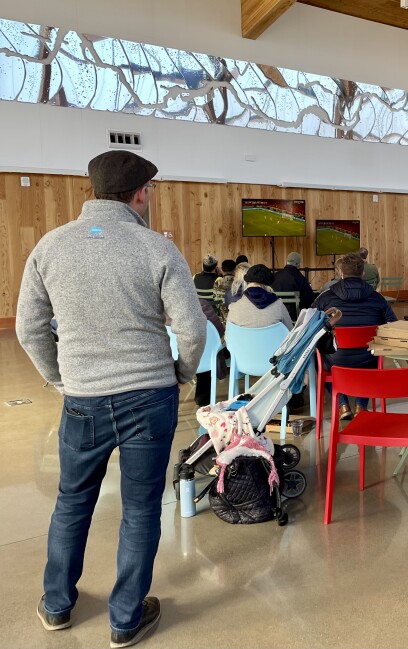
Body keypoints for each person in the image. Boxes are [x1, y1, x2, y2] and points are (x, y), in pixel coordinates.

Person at [16, 150, 206, 647]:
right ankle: (125, 619)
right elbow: (191, 328)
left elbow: (28, 328)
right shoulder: (157, 249)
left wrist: (61, 379)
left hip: (83, 400)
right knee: (141, 509)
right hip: (149, 395)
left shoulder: (49, 246)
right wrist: (180, 373)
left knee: (72, 501)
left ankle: (57, 605)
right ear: (141, 194)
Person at [313, 253, 397, 420]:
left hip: (335, 360)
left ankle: (342, 405)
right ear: (363, 274)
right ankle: (361, 405)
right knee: (374, 356)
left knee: (318, 358)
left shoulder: (325, 297)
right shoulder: (377, 298)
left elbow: (310, 324)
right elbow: (393, 325)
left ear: (340, 274)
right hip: (368, 359)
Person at [227, 264, 293, 330]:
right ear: (268, 285)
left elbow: (228, 337)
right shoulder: (279, 306)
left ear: (247, 282)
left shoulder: (234, 308)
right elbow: (290, 332)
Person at [271, 251, 315, 320]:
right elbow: (309, 300)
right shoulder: (300, 278)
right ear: (298, 264)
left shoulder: (274, 276)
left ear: (287, 262)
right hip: (294, 317)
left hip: (276, 315)